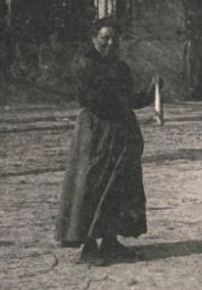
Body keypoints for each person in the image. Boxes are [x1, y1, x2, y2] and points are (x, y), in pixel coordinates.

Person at [55, 18, 158, 265]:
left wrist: (150, 92)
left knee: (118, 187)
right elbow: (91, 99)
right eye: (105, 38)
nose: (110, 43)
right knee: (92, 185)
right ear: (94, 38)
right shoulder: (85, 65)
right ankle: (89, 247)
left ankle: (110, 242)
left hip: (121, 135)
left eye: (114, 39)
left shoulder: (120, 67)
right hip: (96, 133)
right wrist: (120, 107)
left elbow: (129, 99)